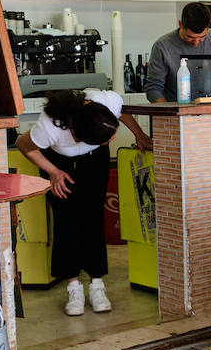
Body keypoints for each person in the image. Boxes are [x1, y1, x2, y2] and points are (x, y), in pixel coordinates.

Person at [14, 89, 153, 316]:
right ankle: (73, 287)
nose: (115, 139)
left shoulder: (105, 103)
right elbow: (24, 144)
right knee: (66, 218)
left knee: (93, 215)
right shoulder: (51, 127)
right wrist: (53, 172)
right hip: (58, 161)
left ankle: (97, 284)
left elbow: (122, 112)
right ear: (76, 137)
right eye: (110, 138)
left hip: (93, 160)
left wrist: (139, 133)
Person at [145, 2, 211, 103]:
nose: (196, 42)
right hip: (177, 112)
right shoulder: (162, 47)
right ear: (180, 24)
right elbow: (153, 89)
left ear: (208, 25)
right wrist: (171, 113)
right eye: (190, 37)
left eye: (202, 37)